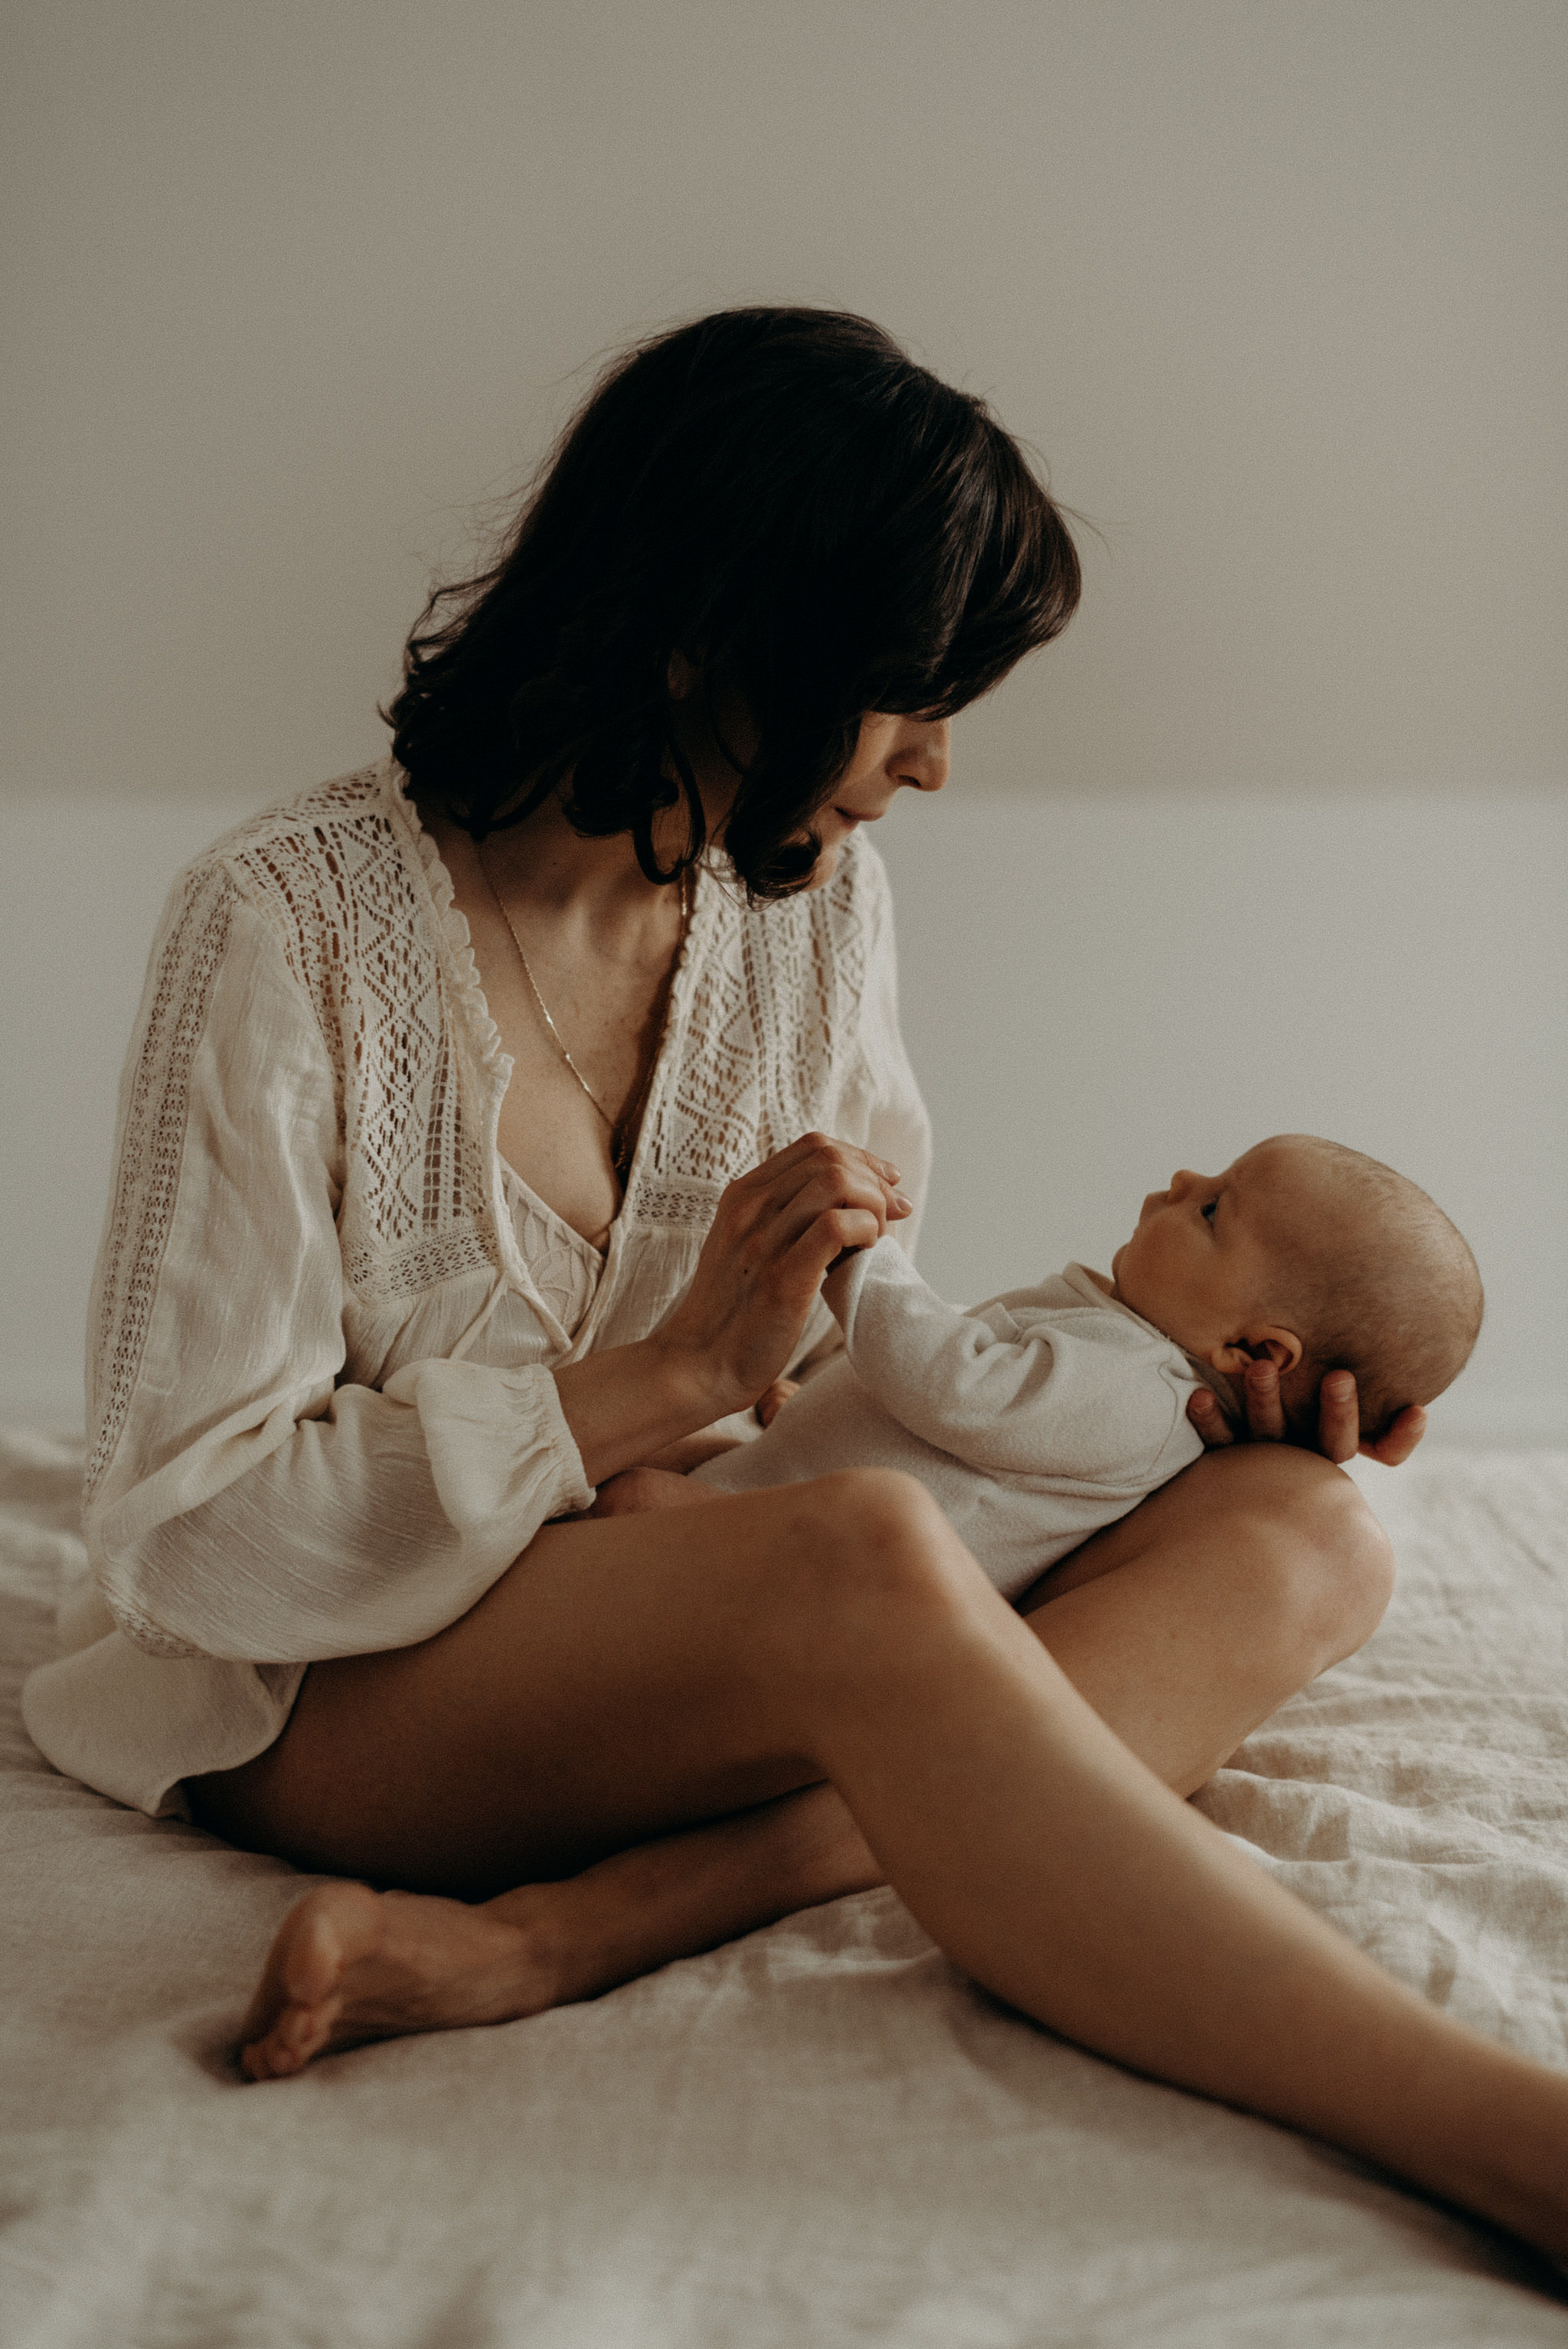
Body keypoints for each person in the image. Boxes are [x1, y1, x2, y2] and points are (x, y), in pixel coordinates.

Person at [24, 309, 1568, 2259]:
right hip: (326, 1690)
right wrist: (661, 1380)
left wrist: (1167, 1408)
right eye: (907, 693)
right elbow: (188, 1544)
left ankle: (554, 1934)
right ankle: (1500, 2135)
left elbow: (877, 1327)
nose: (932, 766)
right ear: (705, 638)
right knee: (857, 1560)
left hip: (688, 1596)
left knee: (1317, 1529)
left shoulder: (807, 904)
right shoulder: (281, 925)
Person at [594, 1136, 1484, 1609]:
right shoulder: (1119, 1352)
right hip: (792, 1496)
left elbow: (958, 1385)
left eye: (1211, 1207)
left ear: (1253, 1354)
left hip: (807, 1580)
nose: (1181, 1175)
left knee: (632, 1497)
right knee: (677, 1451)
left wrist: (860, 1262)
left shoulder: (1138, 1394)